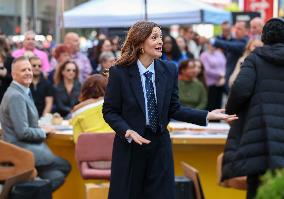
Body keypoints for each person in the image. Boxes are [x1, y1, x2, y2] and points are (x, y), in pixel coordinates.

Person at [102, 21, 237, 199]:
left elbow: (174, 109)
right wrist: (127, 131)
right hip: (130, 148)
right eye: (154, 37)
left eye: (161, 37)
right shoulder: (119, 72)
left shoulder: (169, 69)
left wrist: (207, 115)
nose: (161, 42)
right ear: (140, 43)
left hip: (160, 146)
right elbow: (110, 111)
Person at [221, 18, 284, 199]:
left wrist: (231, 110)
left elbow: (239, 90)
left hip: (260, 136)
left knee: (257, 187)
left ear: (264, 37)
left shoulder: (255, 58)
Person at [0, 56, 71, 191]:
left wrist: (39, 127)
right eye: (23, 70)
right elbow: (23, 132)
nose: (28, 72)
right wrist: (43, 132)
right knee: (63, 167)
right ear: (14, 74)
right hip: (21, 151)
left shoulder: (21, 91)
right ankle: (27, 192)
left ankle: (31, 190)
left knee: (57, 175)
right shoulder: (16, 96)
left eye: (29, 69)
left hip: (26, 149)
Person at [70, 74, 113, 143]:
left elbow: (77, 140)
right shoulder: (116, 105)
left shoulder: (77, 111)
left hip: (90, 151)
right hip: (116, 150)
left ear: (84, 90)